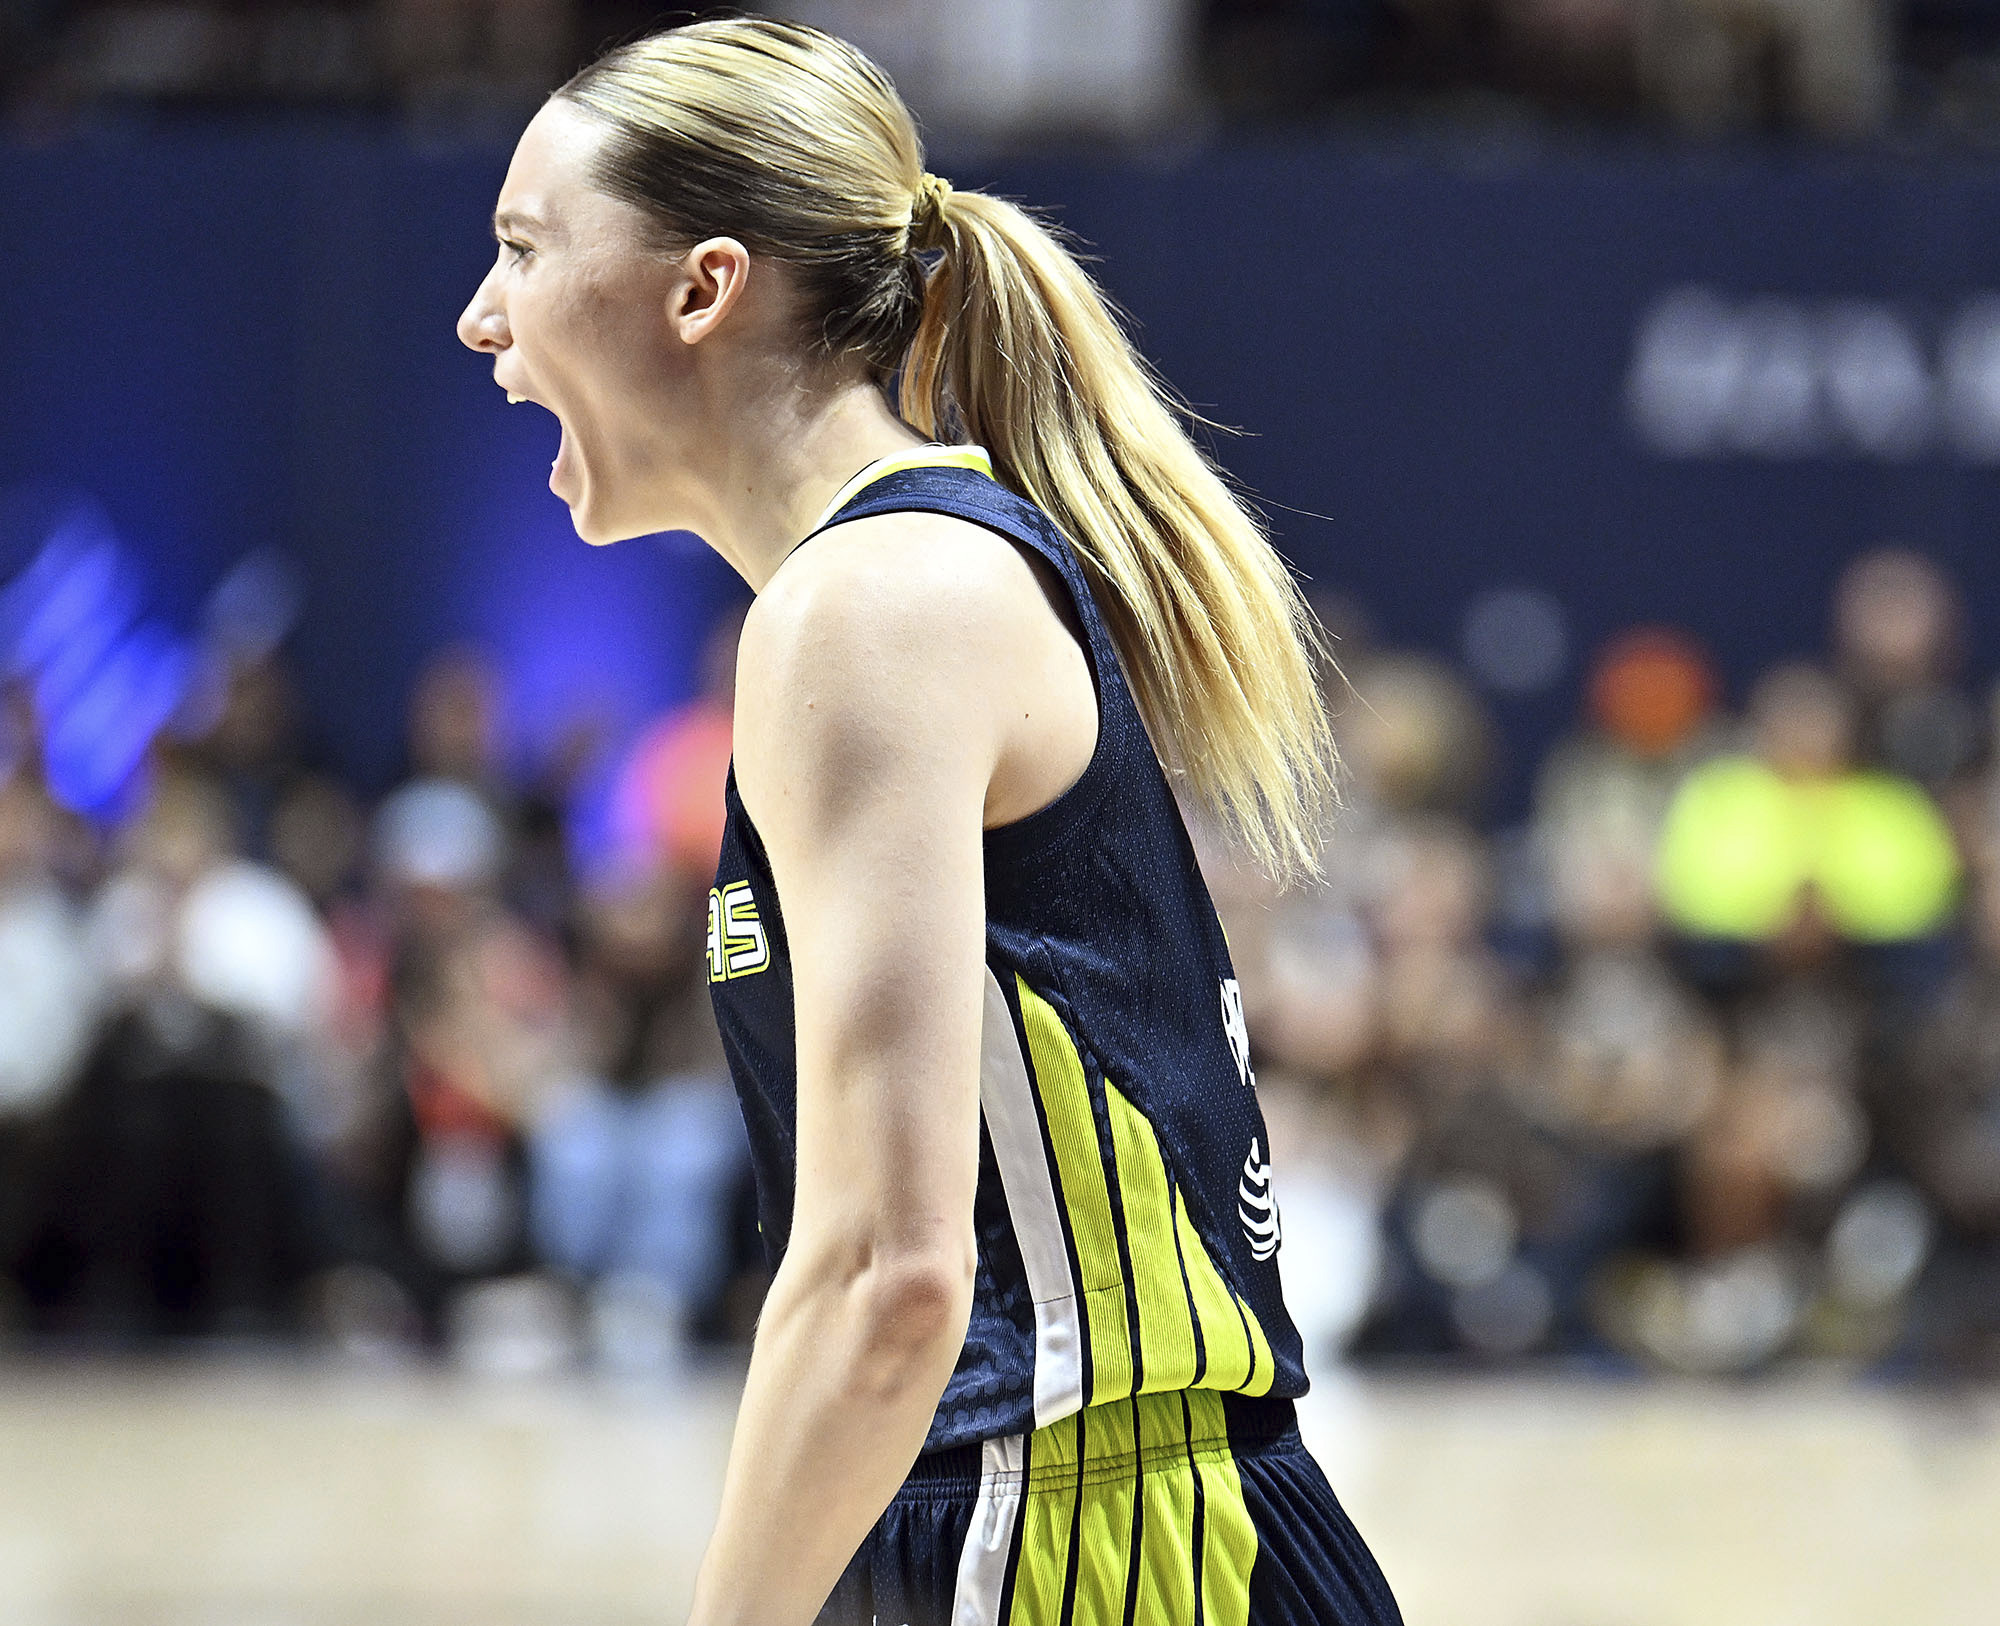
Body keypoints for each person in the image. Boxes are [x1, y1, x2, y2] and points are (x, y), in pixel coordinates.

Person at [457, 18, 1401, 1626]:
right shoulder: (902, 579)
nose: (484, 317)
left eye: (524, 249)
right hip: (1098, 1521)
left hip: (1078, 1540)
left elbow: (892, 1284)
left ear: (704, 287)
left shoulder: (870, 607)